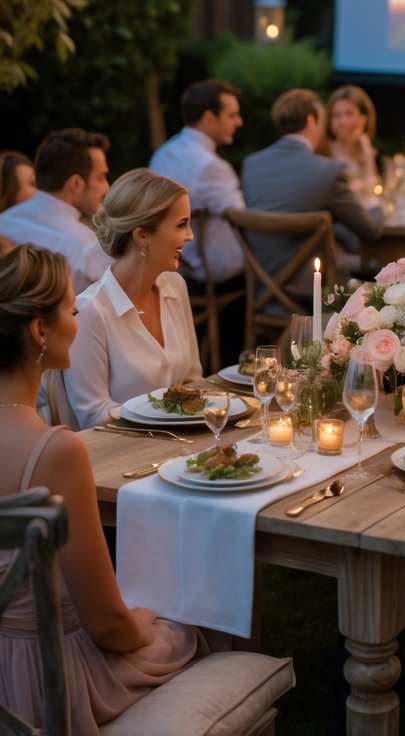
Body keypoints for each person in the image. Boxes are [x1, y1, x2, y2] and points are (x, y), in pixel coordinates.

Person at [0, 243, 217, 732]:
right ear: (39, 331)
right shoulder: (56, 451)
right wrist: (144, 622)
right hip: (44, 681)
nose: (78, 315)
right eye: (68, 308)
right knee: (200, 622)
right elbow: (106, 624)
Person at [53, 169, 203, 430]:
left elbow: (192, 380)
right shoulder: (90, 312)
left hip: (183, 443)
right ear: (142, 235)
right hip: (123, 458)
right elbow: (93, 415)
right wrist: (165, 419)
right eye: (181, 225)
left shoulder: (176, 287)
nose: (190, 235)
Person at [241, 88, 383, 288]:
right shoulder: (327, 170)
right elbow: (371, 229)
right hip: (314, 290)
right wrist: (376, 202)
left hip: (262, 285)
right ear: (310, 121)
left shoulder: (251, 164)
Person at [149, 78, 245, 285]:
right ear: (209, 117)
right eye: (232, 115)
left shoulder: (163, 153)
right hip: (201, 273)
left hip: (160, 263)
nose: (239, 122)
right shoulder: (211, 166)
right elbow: (244, 221)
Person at [0, 128, 110, 295]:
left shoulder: (4, 222)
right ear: (76, 183)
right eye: (101, 177)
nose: (106, 187)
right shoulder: (88, 251)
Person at [319, 84, 380, 190]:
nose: (343, 122)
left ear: (363, 118)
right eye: (336, 115)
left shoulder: (366, 153)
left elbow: (374, 192)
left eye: (349, 114)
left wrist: (366, 149)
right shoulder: (323, 154)